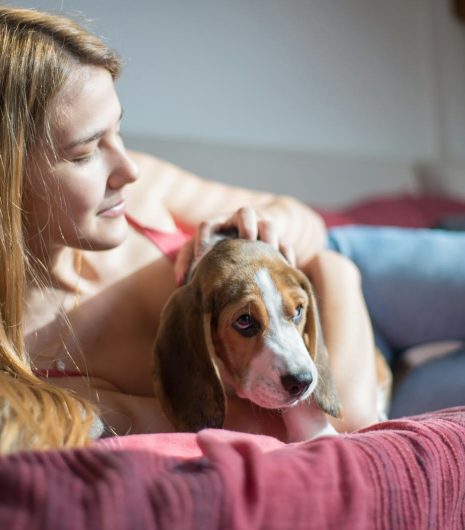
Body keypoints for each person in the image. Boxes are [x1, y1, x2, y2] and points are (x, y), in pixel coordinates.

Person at [0, 6, 383, 454]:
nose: (128, 169)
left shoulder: (141, 196)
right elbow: (253, 423)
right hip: (319, 366)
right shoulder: (29, 361)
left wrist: (276, 229)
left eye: (119, 131)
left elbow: (311, 227)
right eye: (85, 153)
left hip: (350, 272)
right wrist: (352, 400)